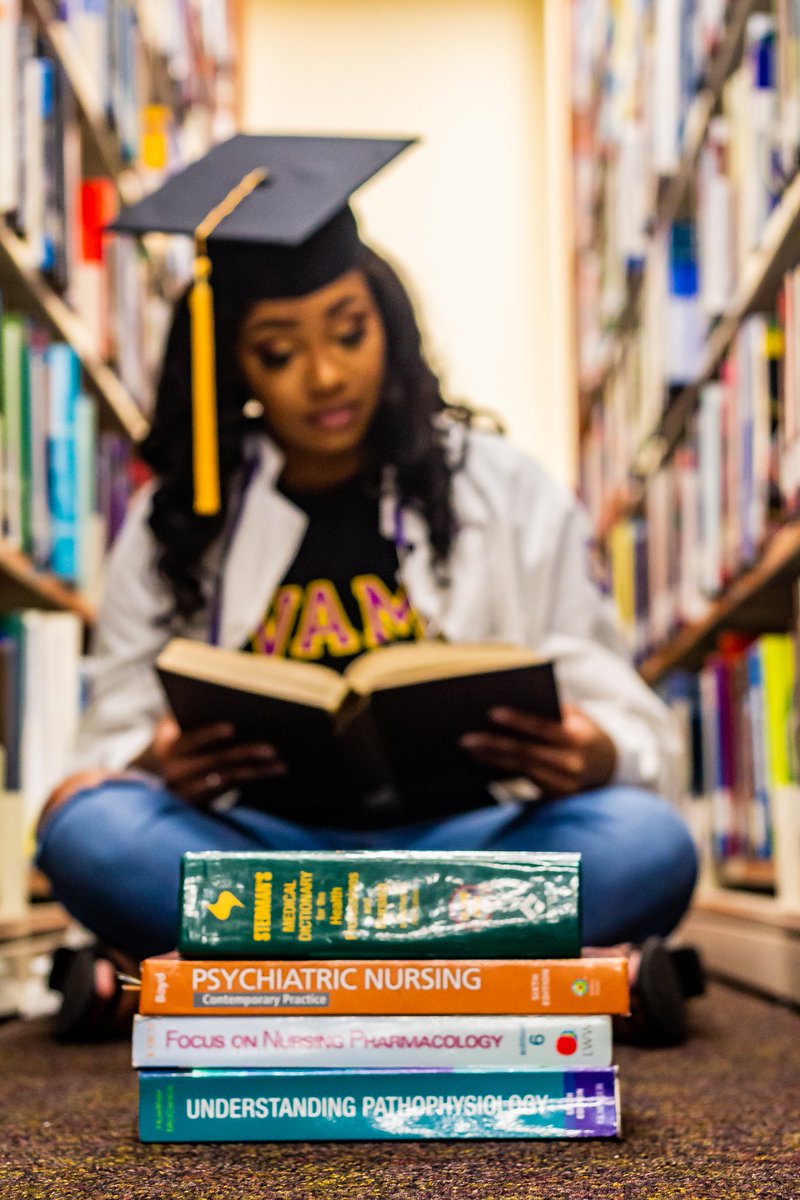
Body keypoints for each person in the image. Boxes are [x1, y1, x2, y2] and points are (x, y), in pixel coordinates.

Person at [36, 135, 701, 1043]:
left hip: (466, 850)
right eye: (278, 350)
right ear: (234, 363)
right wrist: (156, 760)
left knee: (647, 842)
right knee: (87, 831)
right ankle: (491, 978)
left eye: (348, 332)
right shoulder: (173, 522)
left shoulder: (503, 486)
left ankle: (249, 986)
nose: (325, 375)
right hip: (263, 853)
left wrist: (592, 752)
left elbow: (627, 724)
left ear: (387, 320)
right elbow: (106, 745)